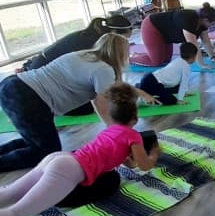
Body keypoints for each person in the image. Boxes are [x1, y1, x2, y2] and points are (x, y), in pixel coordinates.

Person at [0, 84, 160, 216]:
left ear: (111, 115)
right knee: (16, 213)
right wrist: (153, 153)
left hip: (59, 158)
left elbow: (124, 161)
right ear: (135, 118)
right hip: (68, 169)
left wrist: (130, 161)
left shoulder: (110, 129)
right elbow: (145, 165)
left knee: (10, 193)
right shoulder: (133, 136)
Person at [0, 33, 159, 173]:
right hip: (27, 97)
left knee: (36, 141)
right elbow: (102, 104)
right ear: (120, 53)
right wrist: (116, 132)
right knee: (46, 152)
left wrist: (141, 92)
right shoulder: (103, 69)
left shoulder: (84, 56)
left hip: (12, 85)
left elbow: (113, 89)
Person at [19, 15, 132, 73]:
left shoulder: (92, 35)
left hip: (39, 63)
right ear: (114, 33)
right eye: (124, 40)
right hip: (42, 69)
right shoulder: (93, 43)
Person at [129, 3, 215, 68]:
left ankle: (138, 55)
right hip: (152, 27)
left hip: (166, 35)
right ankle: (129, 59)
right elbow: (193, 45)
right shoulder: (188, 19)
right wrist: (202, 64)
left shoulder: (202, 23)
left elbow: (206, 41)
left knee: (166, 60)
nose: (213, 26)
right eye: (212, 23)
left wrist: (213, 57)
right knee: (155, 62)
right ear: (205, 20)